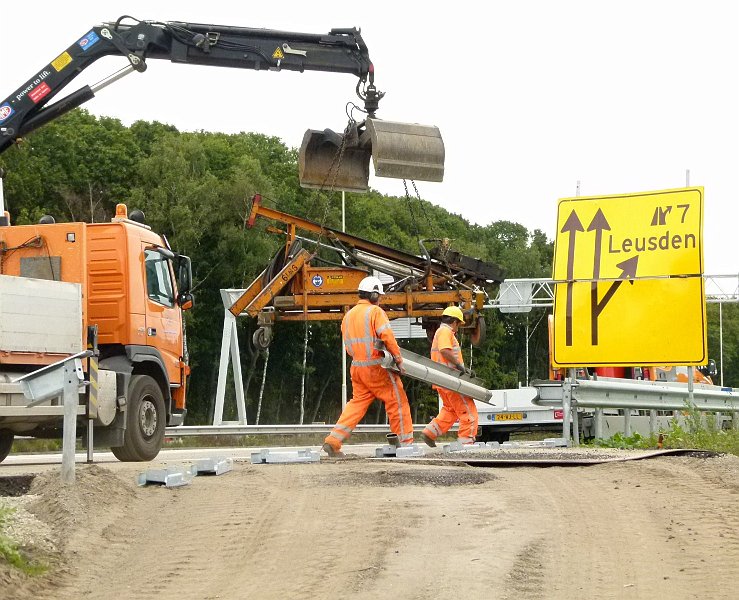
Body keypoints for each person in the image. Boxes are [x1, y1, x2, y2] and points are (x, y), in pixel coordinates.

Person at [322, 276, 414, 457]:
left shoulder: (348, 315)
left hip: (357, 367)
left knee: (356, 404)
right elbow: (387, 336)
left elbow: (348, 347)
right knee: (397, 401)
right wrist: (398, 360)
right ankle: (405, 443)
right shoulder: (375, 312)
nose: (379, 299)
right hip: (376, 367)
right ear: (373, 295)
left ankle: (333, 440)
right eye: (378, 296)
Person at [421, 306, 479, 447]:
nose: (458, 328)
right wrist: (461, 367)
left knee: (450, 410)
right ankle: (466, 442)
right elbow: (445, 351)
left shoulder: (440, 332)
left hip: (442, 381)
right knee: (469, 413)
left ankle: (430, 432)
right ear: (454, 321)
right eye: (459, 324)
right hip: (451, 381)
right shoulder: (445, 332)